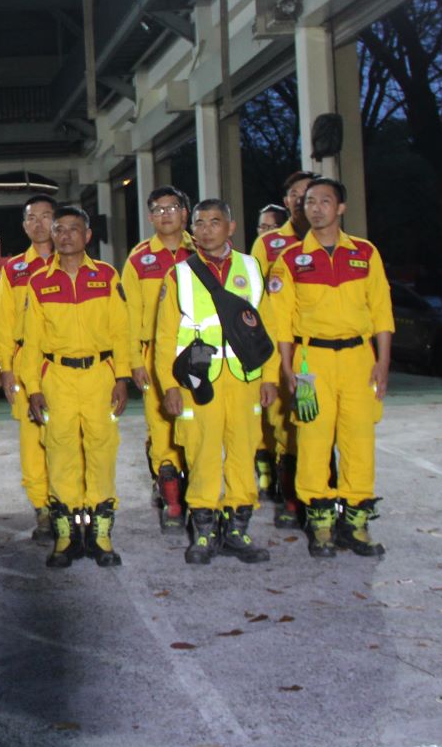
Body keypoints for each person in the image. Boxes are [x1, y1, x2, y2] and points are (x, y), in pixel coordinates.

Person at [266, 177, 393, 559]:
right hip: (310, 364)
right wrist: (287, 370)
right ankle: (320, 524)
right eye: (309, 202)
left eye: (325, 201)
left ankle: (355, 524)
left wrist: (383, 362)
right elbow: (281, 321)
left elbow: (381, 312)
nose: (316, 208)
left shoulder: (366, 254)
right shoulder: (288, 261)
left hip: (359, 360)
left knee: (359, 440)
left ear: (340, 208)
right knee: (313, 441)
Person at [154, 200, 275, 565]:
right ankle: (204, 532)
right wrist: (169, 387)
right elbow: (164, 336)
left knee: (242, 453)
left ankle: (238, 530)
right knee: (202, 453)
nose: (206, 229)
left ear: (231, 227)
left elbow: (269, 328)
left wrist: (269, 378)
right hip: (198, 380)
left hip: (244, 379)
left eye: (215, 222)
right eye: (200, 223)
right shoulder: (180, 274)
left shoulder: (252, 269)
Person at [21, 207, 132, 569]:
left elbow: (121, 332)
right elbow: (32, 341)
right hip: (58, 378)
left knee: (102, 451)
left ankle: (100, 534)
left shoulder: (106, 277)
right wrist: (34, 387)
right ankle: (66, 535)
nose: (66, 235)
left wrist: (122, 378)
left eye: (74, 229)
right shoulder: (39, 282)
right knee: (61, 453)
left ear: (87, 236)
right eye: (60, 229)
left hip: (100, 374)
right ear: (52, 236)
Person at [121, 186, 195, 533]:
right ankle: (173, 503)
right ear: (150, 217)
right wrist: (134, 361)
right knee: (162, 426)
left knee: (196, 428)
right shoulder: (138, 259)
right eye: (159, 209)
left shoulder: (203, 252)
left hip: (197, 355)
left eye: (173, 208)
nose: (166, 214)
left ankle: (199, 497)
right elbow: (129, 317)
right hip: (154, 355)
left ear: (185, 213)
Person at [252, 170, 319, 525]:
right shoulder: (269, 244)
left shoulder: (333, 243)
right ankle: (289, 495)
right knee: (281, 421)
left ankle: (322, 494)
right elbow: (252, 294)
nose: (300, 199)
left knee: (310, 419)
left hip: (313, 351)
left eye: (308, 193)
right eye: (294, 194)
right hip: (278, 347)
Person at [0, 194, 57, 541]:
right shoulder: (14, 269)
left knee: (66, 439)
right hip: (24, 363)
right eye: (32, 218)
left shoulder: (73, 261)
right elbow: (3, 323)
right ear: (24, 226)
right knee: (33, 442)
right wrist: (6, 368)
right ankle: (43, 510)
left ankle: (69, 504)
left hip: (62, 364)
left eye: (46, 217)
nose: (39, 224)